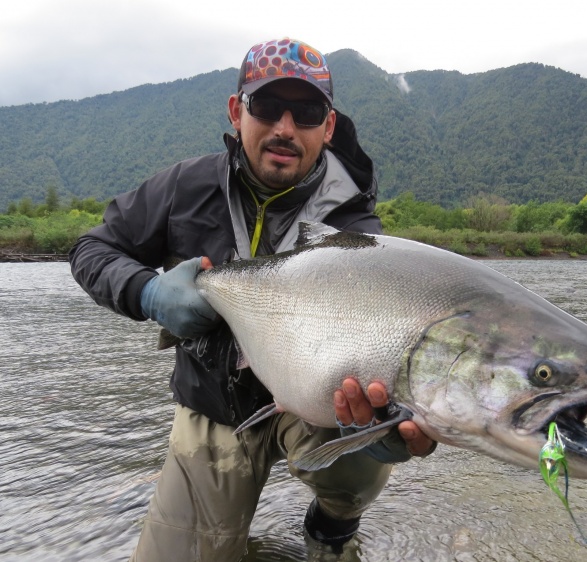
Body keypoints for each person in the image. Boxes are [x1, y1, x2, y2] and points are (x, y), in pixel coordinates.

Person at [70, 37, 435, 561]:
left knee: (365, 451)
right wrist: (146, 292)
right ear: (237, 111)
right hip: (213, 402)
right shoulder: (184, 187)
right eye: (267, 107)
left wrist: (388, 427)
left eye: (307, 112)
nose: (285, 128)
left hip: (315, 404)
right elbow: (92, 247)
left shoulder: (354, 225)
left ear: (328, 127)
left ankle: (335, 518)